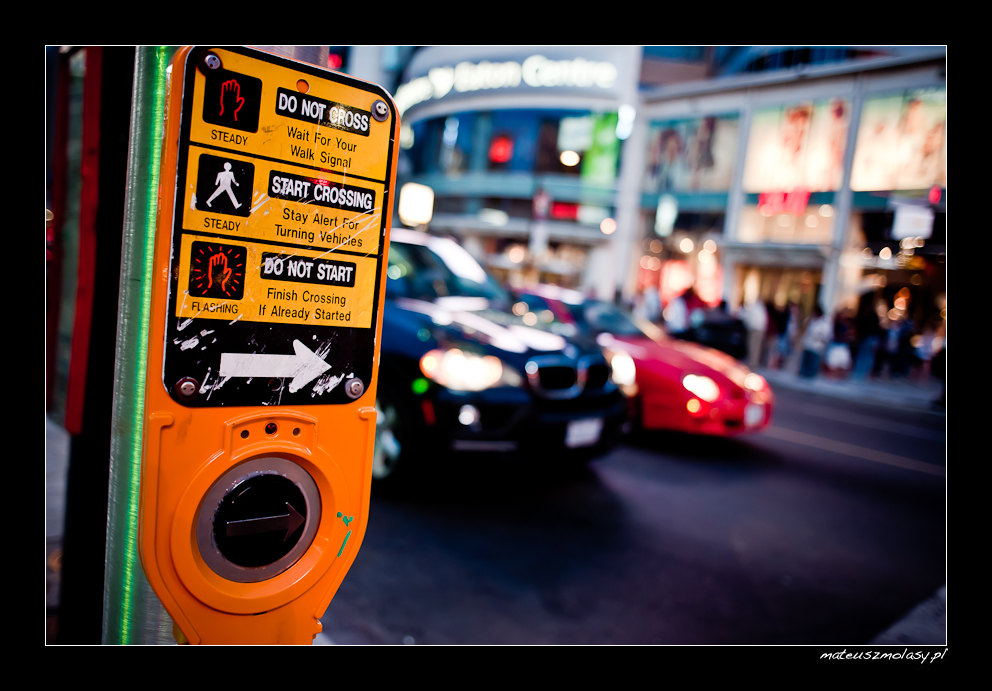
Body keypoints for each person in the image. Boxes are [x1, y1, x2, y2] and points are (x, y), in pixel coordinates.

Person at [799, 305, 832, 379]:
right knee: (805, 361)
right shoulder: (811, 320)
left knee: (813, 362)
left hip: (816, 346)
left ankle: (810, 376)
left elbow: (826, 335)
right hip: (808, 344)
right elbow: (804, 328)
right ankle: (803, 374)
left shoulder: (824, 323)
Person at [739, 297, 768, 370]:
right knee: (756, 347)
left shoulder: (754, 308)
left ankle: (752, 363)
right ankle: (753, 363)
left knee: (752, 346)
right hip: (760, 330)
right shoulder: (761, 308)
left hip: (755, 330)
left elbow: (746, 317)